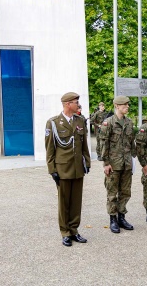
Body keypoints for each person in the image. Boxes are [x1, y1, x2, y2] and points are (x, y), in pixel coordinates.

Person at [45, 92, 91, 246]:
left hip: (78, 168)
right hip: (63, 169)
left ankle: (74, 230)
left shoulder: (80, 120)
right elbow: (50, 149)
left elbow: (84, 145)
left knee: (76, 201)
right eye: (75, 102)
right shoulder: (53, 123)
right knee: (64, 202)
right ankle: (65, 232)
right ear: (67, 104)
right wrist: (52, 169)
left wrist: (87, 162)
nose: (78, 104)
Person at [99, 95, 137, 233]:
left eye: (127, 105)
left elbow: (131, 142)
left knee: (125, 192)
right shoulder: (108, 123)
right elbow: (104, 143)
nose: (127, 107)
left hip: (126, 163)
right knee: (112, 193)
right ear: (117, 106)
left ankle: (122, 217)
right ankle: (113, 219)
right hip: (113, 164)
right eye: (124, 105)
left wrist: (134, 159)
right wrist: (106, 163)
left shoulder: (129, 123)